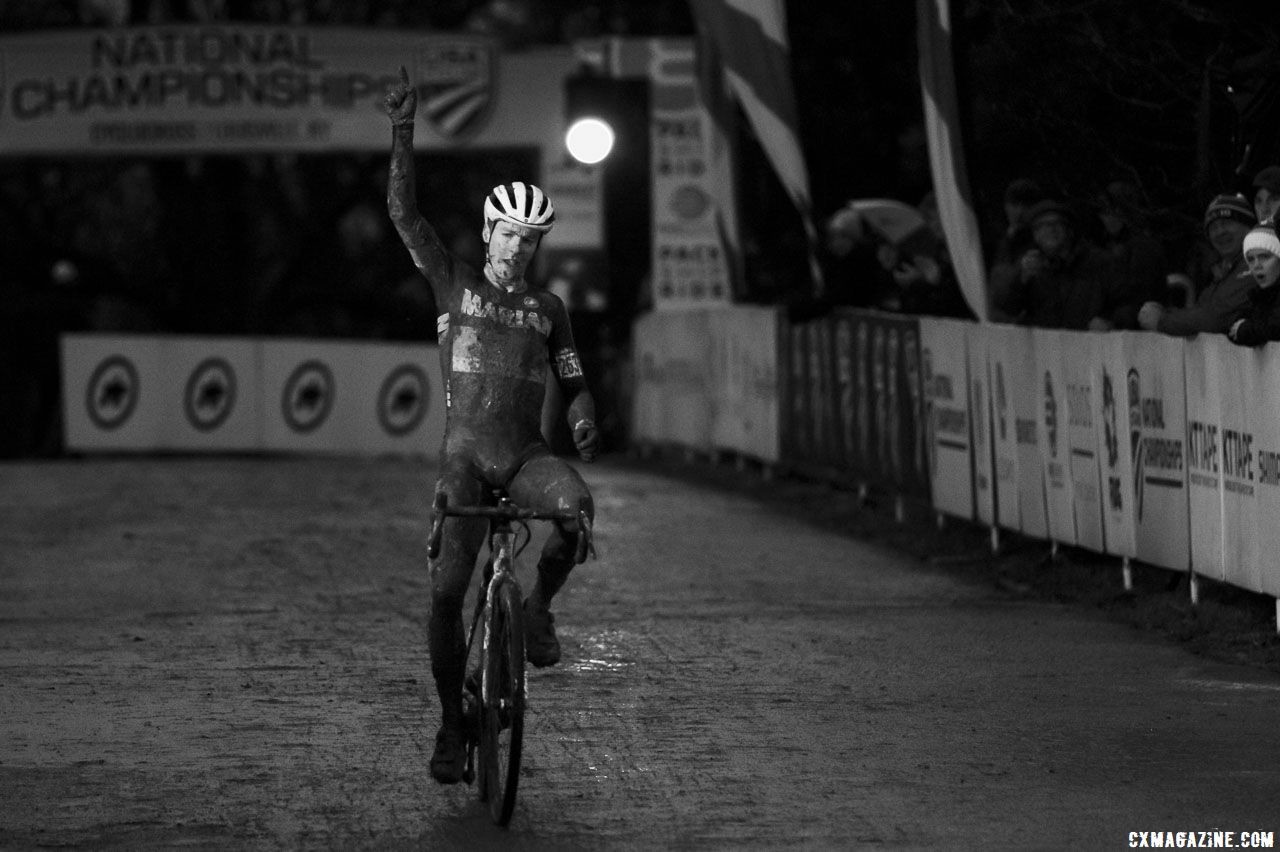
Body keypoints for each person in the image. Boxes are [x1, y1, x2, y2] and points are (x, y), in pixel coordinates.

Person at [383, 67, 601, 785]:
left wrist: (584, 413)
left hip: (525, 456)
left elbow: (572, 381)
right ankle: (451, 721)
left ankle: (535, 611)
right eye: (510, 236)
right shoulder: (455, 282)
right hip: (466, 461)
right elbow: (404, 217)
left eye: (531, 242)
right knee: (447, 594)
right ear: (488, 230)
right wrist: (404, 131)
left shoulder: (548, 308)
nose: (518, 250)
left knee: (575, 512)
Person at [990, 199, 1133, 329]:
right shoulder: (1030, 266)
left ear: (1069, 230)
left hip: (1094, 349)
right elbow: (1008, 310)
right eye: (1041, 226)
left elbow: (1128, 304)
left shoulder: (1100, 263)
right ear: (1035, 234)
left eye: (1056, 223)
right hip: (1050, 351)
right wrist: (1022, 280)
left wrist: (1110, 322)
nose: (1050, 230)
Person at [1138, 193, 1256, 336]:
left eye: (1227, 223)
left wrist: (1162, 320)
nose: (1220, 232)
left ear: (1248, 226)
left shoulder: (1256, 264)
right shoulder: (1222, 276)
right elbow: (1200, 312)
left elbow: (1215, 319)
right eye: (1213, 227)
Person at [1095, 180, 1168, 326]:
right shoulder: (1104, 246)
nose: (1109, 218)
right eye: (1105, 212)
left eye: (1115, 212)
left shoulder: (1144, 247)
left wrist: (1109, 320)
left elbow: (1140, 296)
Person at [986, 177, 1045, 316]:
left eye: (1026, 206)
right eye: (1014, 204)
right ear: (1006, 206)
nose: (1019, 212)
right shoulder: (994, 242)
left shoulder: (1042, 246)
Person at [1227, 222, 1280, 346]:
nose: (1256, 265)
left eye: (1264, 257)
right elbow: (1231, 327)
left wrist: (1246, 330)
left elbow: (1275, 327)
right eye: (1251, 259)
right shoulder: (1258, 296)